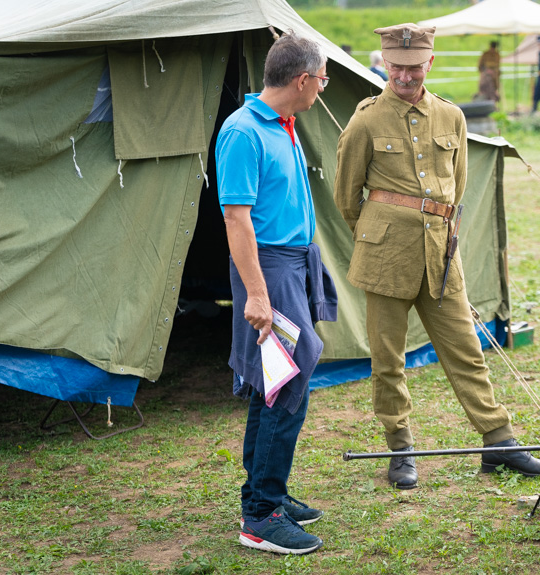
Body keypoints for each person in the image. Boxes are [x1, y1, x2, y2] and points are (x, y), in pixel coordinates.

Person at [334, 23, 540, 490]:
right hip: (385, 257)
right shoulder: (367, 119)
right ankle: (400, 447)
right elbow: (346, 196)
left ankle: (498, 441)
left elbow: (458, 186)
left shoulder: (452, 116)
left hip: (441, 252)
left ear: (429, 63)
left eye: (414, 67)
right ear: (385, 63)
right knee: (388, 358)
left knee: (466, 350)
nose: (406, 76)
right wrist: (378, 234)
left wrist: (433, 229)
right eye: (397, 67)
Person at [216, 32, 337, 555]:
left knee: (277, 382)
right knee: (287, 383)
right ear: (303, 79)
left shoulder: (284, 124)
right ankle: (260, 515)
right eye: (323, 79)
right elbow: (236, 219)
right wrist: (258, 295)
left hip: (293, 263)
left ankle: (267, 495)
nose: (323, 89)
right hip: (268, 267)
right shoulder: (242, 132)